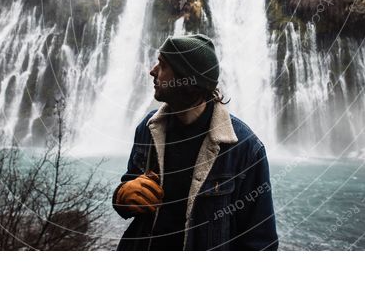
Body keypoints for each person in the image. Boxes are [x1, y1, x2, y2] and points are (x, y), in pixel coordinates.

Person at [112, 33, 278, 250]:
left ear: (188, 81)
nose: (152, 71)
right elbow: (129, 194)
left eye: (162, 65)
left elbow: (260, 240)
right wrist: (122, 196)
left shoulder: (245, 148)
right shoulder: (148, 128)